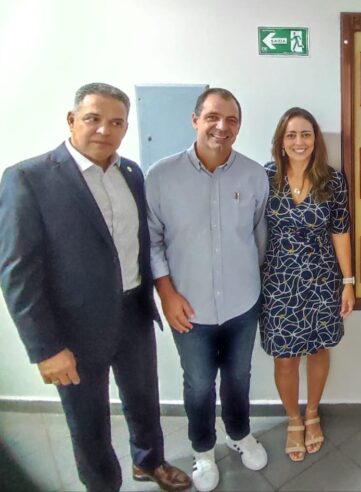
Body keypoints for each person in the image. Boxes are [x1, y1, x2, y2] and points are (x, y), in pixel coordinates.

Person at [0, 83, 191, 492]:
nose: (105, 129)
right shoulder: (28, 179)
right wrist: (45, 348)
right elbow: (17, 272)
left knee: (144, 398)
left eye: (116, 122)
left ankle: (150, 462)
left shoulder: (131, 173)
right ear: (72, 121)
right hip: (74, 328)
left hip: (133, 313)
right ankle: (103, 484)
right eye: (93, 119)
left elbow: (141, 242)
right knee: (87, 418)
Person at [146, 88, 268, 491]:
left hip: (242, 303)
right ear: (195, 120)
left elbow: (259, 236)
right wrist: (166, 294)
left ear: (239, 126)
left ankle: (239, 434)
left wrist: (255, 284)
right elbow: (153, 241)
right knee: (199, 383)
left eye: (232, 120)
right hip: (189, 307)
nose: (222, 126)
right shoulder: (161, 176)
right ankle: (202, 451)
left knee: (238, 377)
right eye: (213, 117)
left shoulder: (253, 175)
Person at [261, 107, 354, 463]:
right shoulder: (264, 177)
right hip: (278, 281)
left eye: (306, 134)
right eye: (291, 135)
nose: (299, 142)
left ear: (315, 140)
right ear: (281, 143)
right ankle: (293, 420)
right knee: (285, 359)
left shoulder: (332, 180)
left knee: (318, 350)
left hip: (321, 280)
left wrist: (348, 282)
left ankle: (312, 412)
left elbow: (340, 230)